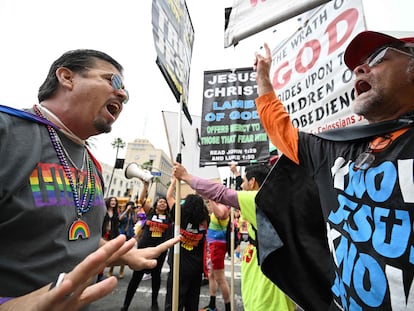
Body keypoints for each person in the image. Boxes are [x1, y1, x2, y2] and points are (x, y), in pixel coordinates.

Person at [0, 49, 179, 311]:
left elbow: (75, 234)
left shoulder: (91, 165)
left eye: (125, 93)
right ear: (67, 77)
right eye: (113, 81)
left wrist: (121, 253)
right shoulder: (7, 133)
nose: (123, 94)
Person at [254, 31, 414, 310]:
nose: (360, 70)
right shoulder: (335, 149)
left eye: (378, 58)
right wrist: (264, 78)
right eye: (356, 68)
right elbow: (282, 131)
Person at [173, 162, 295, 311]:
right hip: (272, 288)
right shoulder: (275, 200)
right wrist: (236, 172)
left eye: (243, 181)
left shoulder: (257, 200)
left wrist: (186, 176)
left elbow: (221, 193)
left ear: (252, 182)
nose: (241, 186)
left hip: (267, 298)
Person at [164, 176, 210, 311]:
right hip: (196, 267)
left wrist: (173, 182)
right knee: (192, 302)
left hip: (179, 265)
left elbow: (169, 197)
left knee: (173, 302)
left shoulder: (180, 215)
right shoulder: (204, 220)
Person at [121, 195, 173, 311]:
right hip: (144, 248)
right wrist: (145, 185)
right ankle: (125, 305)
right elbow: (142, 199)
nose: (162, 203)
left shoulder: (170, 218)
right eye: (160, 201)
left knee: (156, 276)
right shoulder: (150, 213)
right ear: (156, 204)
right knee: (136, 276)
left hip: (159, 250)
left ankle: (154, 303)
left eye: (164, 202)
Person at [98, 196, 120, 281]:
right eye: (112, 200)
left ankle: (100, 273)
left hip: (111, 235)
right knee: (99, 254)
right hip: (102, 234)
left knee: (105, 256)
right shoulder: (103, 210)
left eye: (115, 201)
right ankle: (96, 273)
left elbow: (116, 225)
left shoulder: (115, 212)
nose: (113, 202)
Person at [117, 201, 138, 278]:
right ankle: (111, 270)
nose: (130, 208)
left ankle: (121, 271)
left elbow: (135, 222)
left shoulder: (133, 214)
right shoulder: (123, 212)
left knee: (125, 253)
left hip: (129, 234)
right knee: (117, 251)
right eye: (130, 206)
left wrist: (135, 213)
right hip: (121, 233)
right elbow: (120, 218)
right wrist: (126, 210)